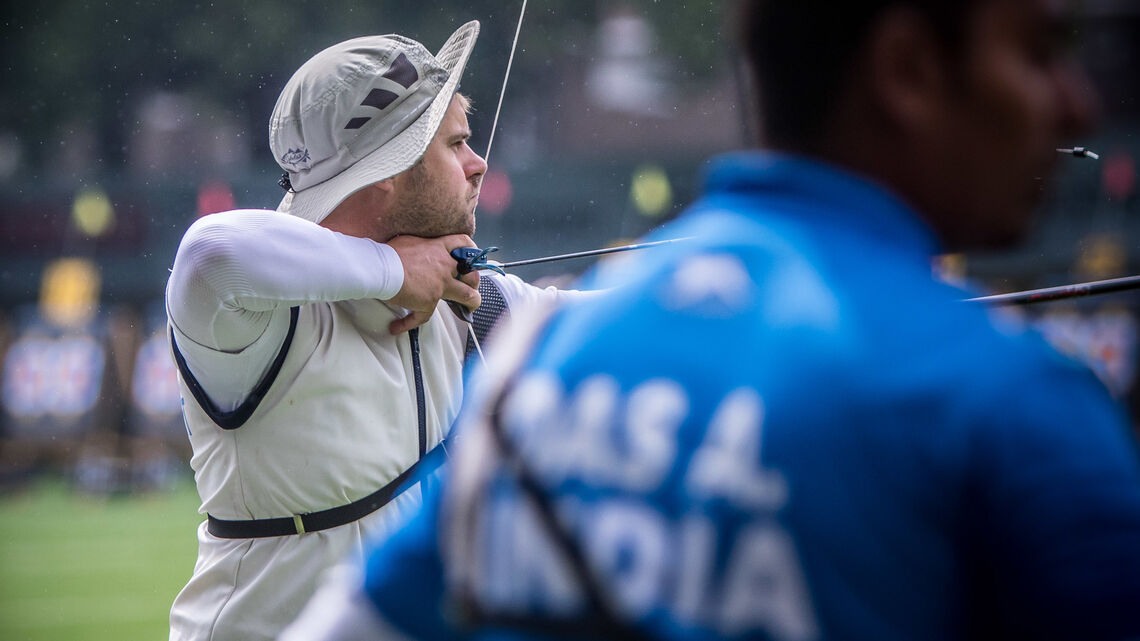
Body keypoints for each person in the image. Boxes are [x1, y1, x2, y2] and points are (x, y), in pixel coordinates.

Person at [280, 0, 1140, 640]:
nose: (1074, 104)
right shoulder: (1013, 407)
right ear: (907, 69)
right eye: (1038, 51)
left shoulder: (535, 369)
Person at [165, 21, 583, 641]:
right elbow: (209, 252)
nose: (479, 163)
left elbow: (611, 321)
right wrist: (394, 271)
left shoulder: (464, 292)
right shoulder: (249, 314)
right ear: (393, 167)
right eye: (456, 144)